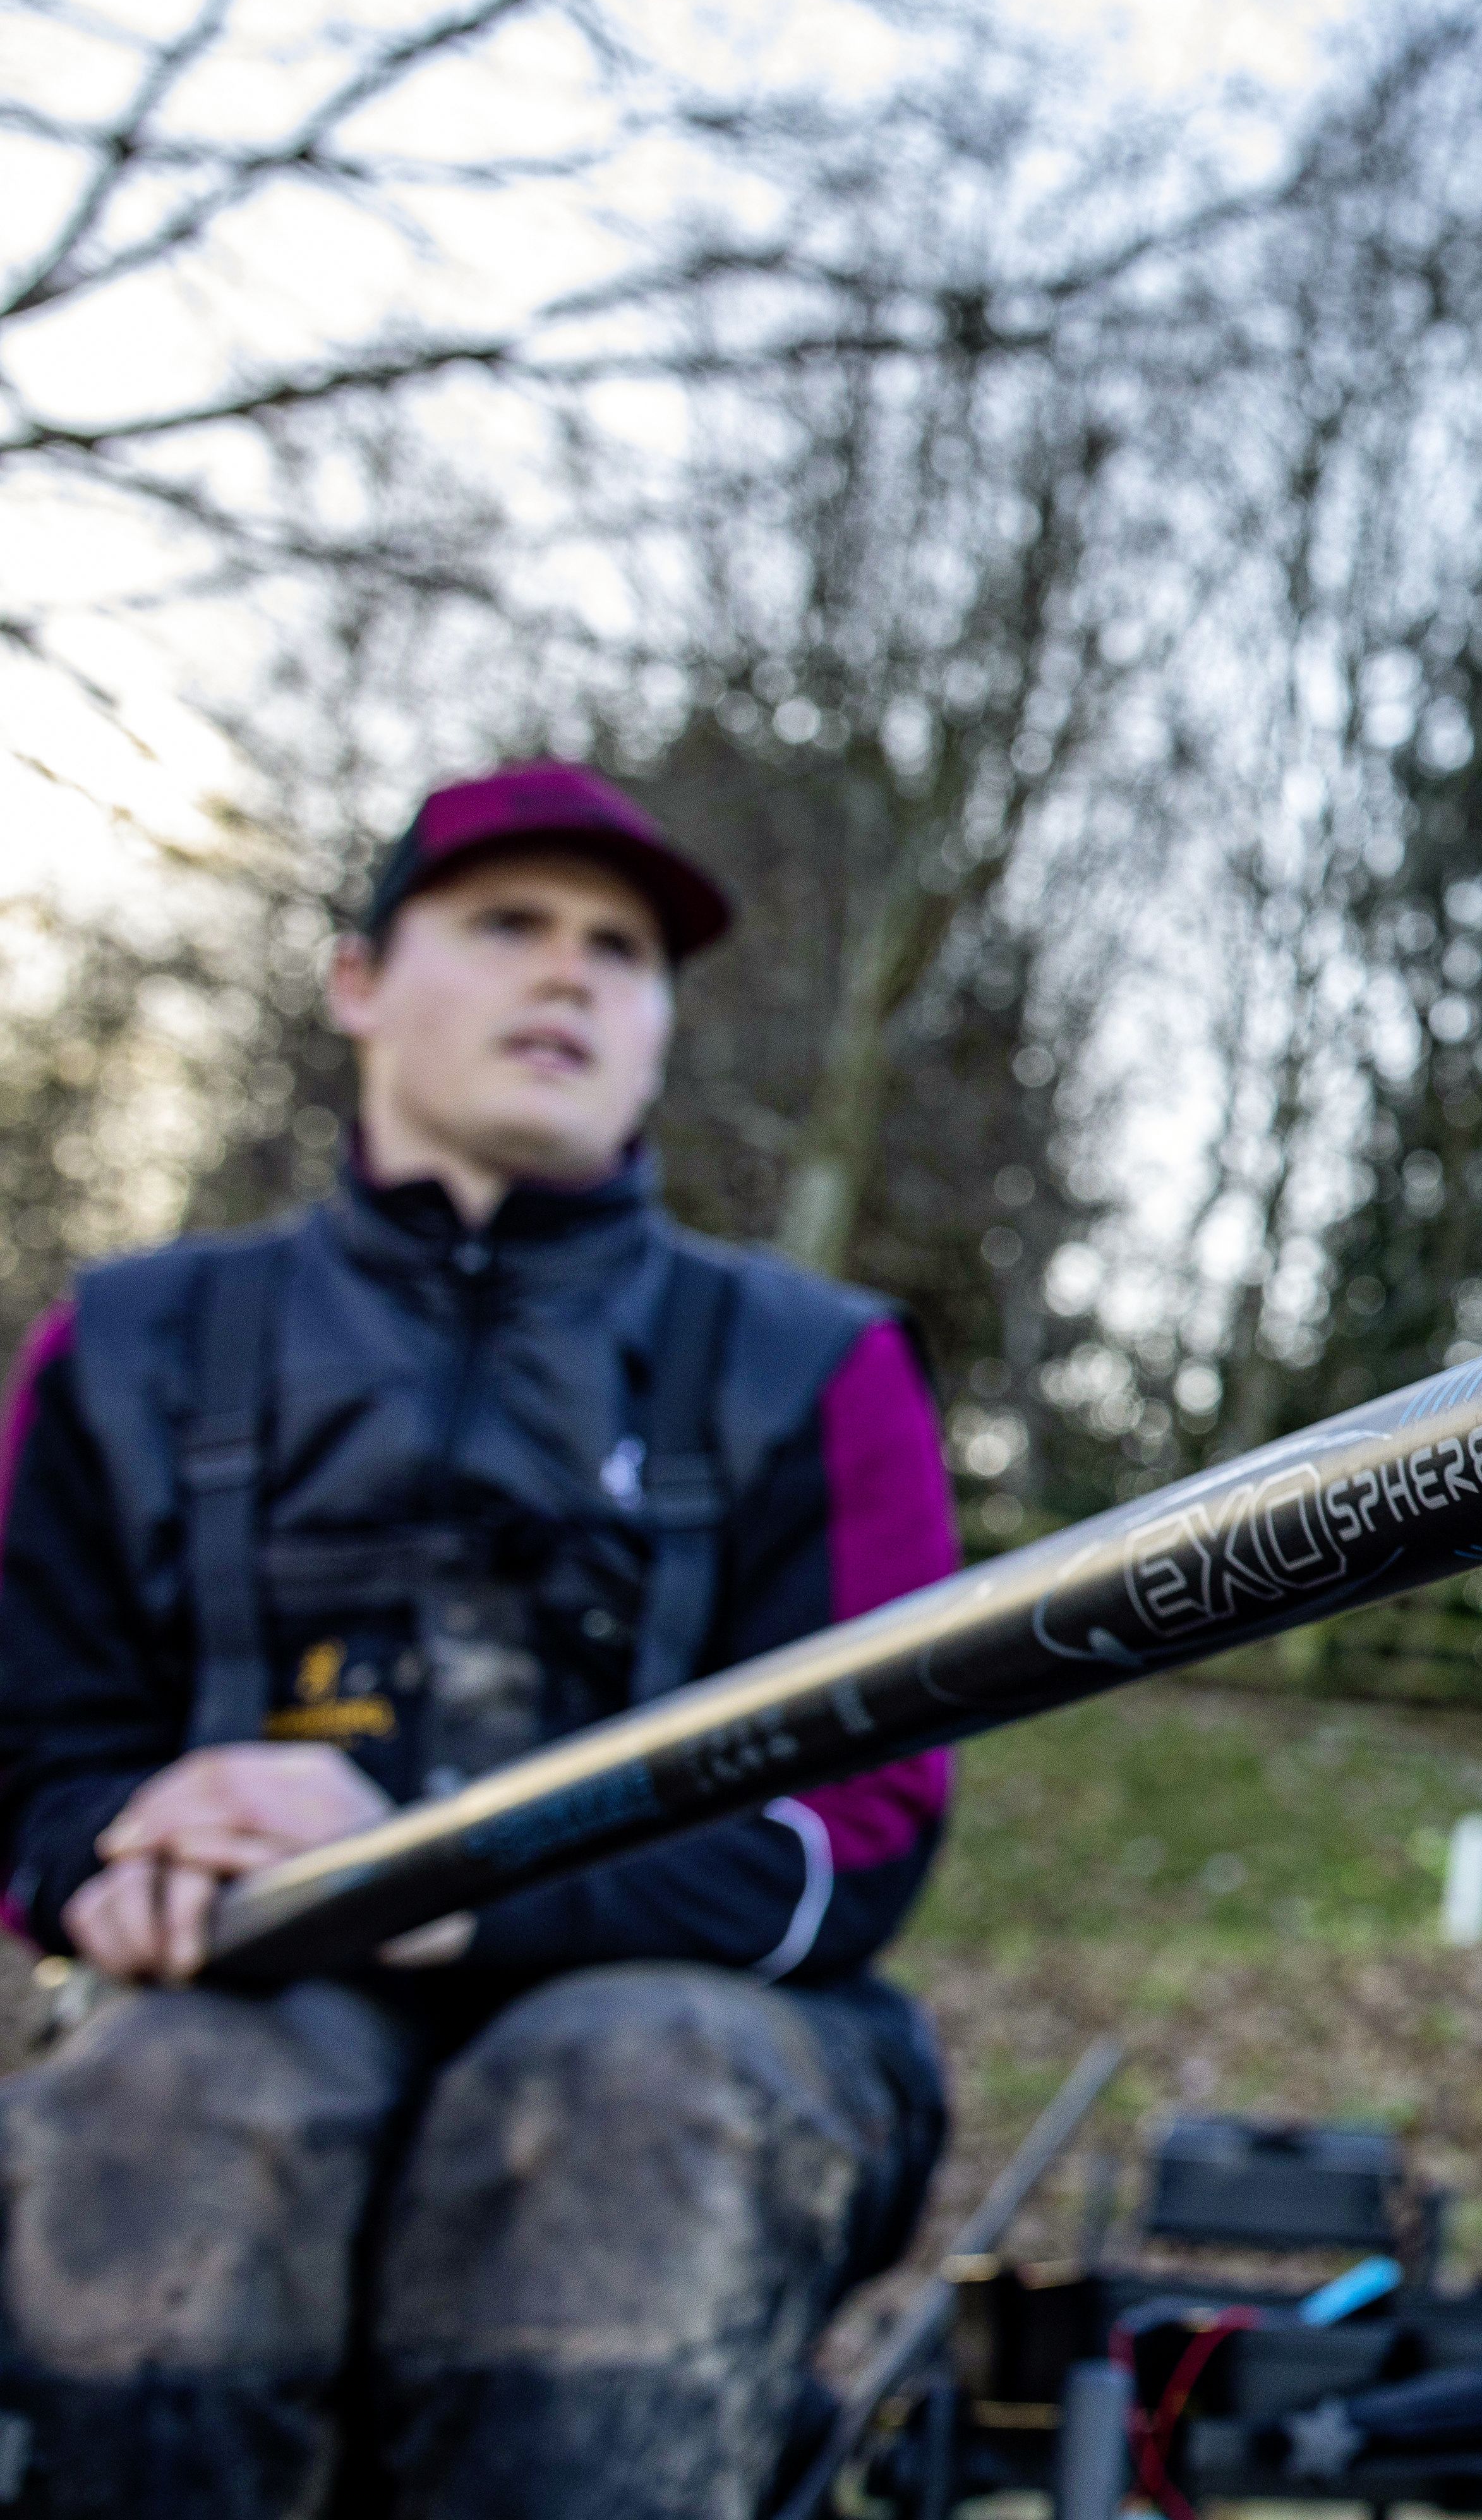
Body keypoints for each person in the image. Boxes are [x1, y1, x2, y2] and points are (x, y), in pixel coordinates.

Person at [0, 765, 962, 2517]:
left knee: (628, 2092)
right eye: (509, 922)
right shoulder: (124, 1350)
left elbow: (865, 1828)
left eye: (624, 950)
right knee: (172, 2108)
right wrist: (108, 1856)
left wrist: (443, 1878)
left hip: (696, 2044)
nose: (571, 972)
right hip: (242, 2010)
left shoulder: (818, 1368)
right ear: (358, 982)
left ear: (660, 1029)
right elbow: (34, 1759)